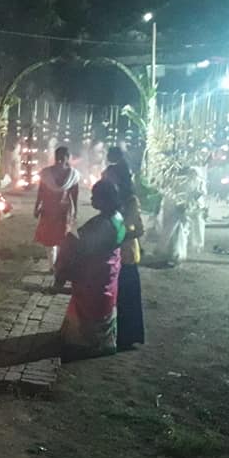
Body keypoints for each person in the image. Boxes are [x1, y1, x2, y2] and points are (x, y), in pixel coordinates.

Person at [55, 180, 126, 359]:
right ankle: (104, 341)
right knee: (105, 305)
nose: (92, 199)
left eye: (96, 196)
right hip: (108, 272)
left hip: (94, 273)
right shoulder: (117, 217)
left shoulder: (102, 224)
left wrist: (67, 246)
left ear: (105, 199)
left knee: (90, 306)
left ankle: (86, 343)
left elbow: (80, 246)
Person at [103, 150, 145, 350]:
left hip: (126, 254)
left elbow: (140, 229)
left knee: (126, 297)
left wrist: (120, 236)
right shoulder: (111, 202)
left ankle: (127, 336)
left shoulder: (130, 201)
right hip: (111, 254)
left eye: (108, 178)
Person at [34, 146, 80, 271]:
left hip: (55, 210)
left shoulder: (47, 173)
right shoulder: (73, 174)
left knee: (55, 239)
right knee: (58, 239)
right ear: (68, 157)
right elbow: (74, 195)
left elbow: (41, 192)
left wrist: (37, 206)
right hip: (59, 210)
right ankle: (55, 265)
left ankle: (53, 265)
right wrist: (75, 211)